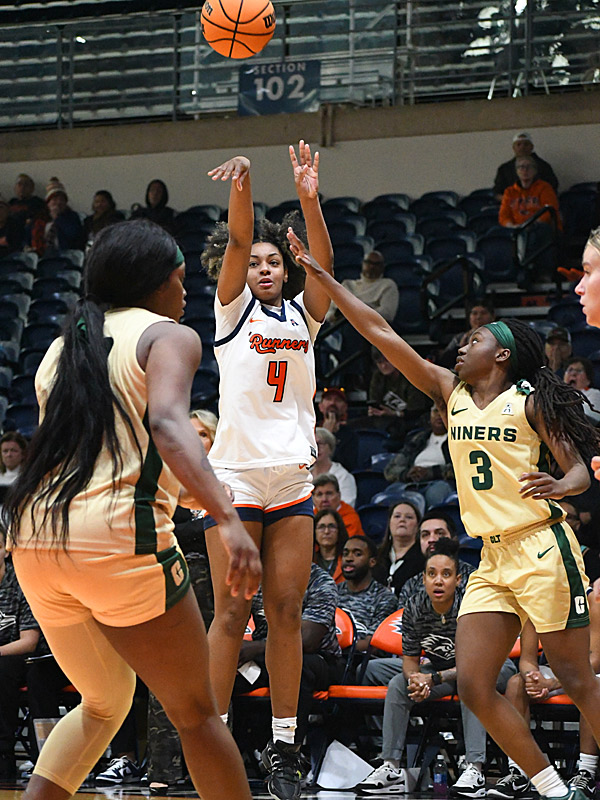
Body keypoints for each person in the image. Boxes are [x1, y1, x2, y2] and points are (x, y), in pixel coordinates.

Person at [286, 226, 600, 800]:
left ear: (500, 354)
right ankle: (556, 791)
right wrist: (324, 277)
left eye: (475, 337)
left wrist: (561, 483)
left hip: (542, 546)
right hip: (491, 556)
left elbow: (580, 470)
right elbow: (381, 332)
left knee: (577, 679)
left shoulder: (530, 401)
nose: (463, 343)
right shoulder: (448, 390)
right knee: (478, 686)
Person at [4, 218, 262, 800]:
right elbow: (168, 424)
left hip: (36, 538)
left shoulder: (61, 346)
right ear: (154, 282)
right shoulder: (170, 336)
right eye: (179, 276)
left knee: (104, 701)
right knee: (196, 712)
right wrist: (227, 518)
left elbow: (98, 452)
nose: (186, 288)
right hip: (117, 538)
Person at [199, 141, 333, 800]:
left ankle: (284, 748)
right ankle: (213, 737)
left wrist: (308, 198)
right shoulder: (232, 311)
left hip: (292, 479)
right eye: (255, 261)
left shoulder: (304, 316)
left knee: (285, 612)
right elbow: (233, 244)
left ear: (287, 269)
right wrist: (246, 183)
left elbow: (325, 267)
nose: (262, 266)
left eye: (273, 260)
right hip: (238, 477)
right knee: (231, 613)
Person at [145, 408, 219, 795]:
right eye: (189, 434)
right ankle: (163, 769)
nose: (195, 440)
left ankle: (209, 768)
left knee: (211, 682)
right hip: (170, 591)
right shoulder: (162, 490)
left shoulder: (229, 488)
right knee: (165, 679)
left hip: (221, 603)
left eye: (203, 434)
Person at [233, 562, 343, 757]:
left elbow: (308, 640)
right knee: (224, 673)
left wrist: (256, 647)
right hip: (266, 659)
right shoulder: (256, 577)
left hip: (319, 659)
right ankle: (230, 753)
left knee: (296, 666)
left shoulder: (320, 581)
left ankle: (288, 756)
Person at [0, 527, 41, 779]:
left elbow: (29, 641)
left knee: (3, 669)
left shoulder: (22, 582)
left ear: (5, 549)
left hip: (20, 659)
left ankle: (4, 755)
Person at [383, 405, 454, 509]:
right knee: (390, 492)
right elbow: (390, 469)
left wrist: (431, 472)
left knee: (434, 494)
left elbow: (462, 468)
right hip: (411, 482)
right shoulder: (418, 439)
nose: (439, 415)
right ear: (430, 416)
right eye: (435, 411)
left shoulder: (459, 440)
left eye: (444, 411)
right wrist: (407, 473)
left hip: (440, 482)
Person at [336, 535, 398, 653]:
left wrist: (334, 646)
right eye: (345, 553)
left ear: (372, 562)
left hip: (361, 660)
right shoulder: (333, 592)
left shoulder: (384, 597)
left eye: (357, 554)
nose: (349, 558)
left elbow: (373, 643)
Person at [326, 250, 399, 324]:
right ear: (363, 264)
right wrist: (334, 315)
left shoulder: (388, 285)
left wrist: (356, 312)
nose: (372, 266)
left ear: (382, 267)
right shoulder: (347, 284)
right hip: (340, 325)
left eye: (376, 264)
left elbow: (387, 314)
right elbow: (330, 311)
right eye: (368, 262)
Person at [372, 500, 424, 596]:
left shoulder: (424, 558)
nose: (402, 520)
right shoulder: (375, 555)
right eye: (397, 516)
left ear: (417, 526)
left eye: (409, 517)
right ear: (390, 523)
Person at [493, 132, 559, 202]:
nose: (522, 147)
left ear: (532, 147)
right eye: (518, 144)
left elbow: (552, 189)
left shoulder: (544, 167)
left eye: (526, 144)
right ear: (513, 148)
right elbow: (497, 192)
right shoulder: (504, 169)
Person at [27, 178, 83, 256]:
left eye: (62, 200)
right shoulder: (39, 217)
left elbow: (73, 235)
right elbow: (28, 235)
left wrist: (57, 219)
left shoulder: (72, 217)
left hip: (64, 255)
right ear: (48, 203)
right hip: (41, 254)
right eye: (55, 199)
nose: (58, 202)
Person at [438, 298, 496, 370]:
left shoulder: (497, 337)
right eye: (474, 313)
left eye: (483, 313)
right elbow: (444, 361)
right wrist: (459, 347)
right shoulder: (460, 338)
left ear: (493, 317)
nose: (478, 317)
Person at [317, 386, 359, 472]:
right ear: (320, 407)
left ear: (344, 408)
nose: (333, 403)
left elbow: (347, 465)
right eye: (328, 399)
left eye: (338, 400)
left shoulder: (350, 435)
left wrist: (329, 436)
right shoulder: (309, 430)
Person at [311, 427, 356, 506]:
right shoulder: (303, 475)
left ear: (330, 448)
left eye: (319, 444)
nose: (316, 449)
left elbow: (347, 504)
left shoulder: (343, 476)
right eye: (312, 445)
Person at [312, 474, 364, 538]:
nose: (324, 499)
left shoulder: (351, 519)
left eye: (329, 493)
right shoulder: (309, 518)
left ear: (339, 495)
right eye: (319, 495)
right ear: (313, 499)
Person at [313, 508, 348, 584]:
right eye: (321, 527)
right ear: (314, 531)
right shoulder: (308, 561)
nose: (326, 531)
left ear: (339, 530)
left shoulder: (348, 560)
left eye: (331, 526)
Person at [8, 174, 45, 242]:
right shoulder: (11, 202)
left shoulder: (38, 202)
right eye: (19, 184)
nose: (22, 187)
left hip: (26, 232)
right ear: (15, 188)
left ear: (32, 188)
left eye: (26, 185)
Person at [564, 357, 600, 426]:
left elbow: (594, 416)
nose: (573, 374)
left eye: (579, 371)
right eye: (570, 370)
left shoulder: (594, 393)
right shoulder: (556, 394)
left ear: (588, 378)